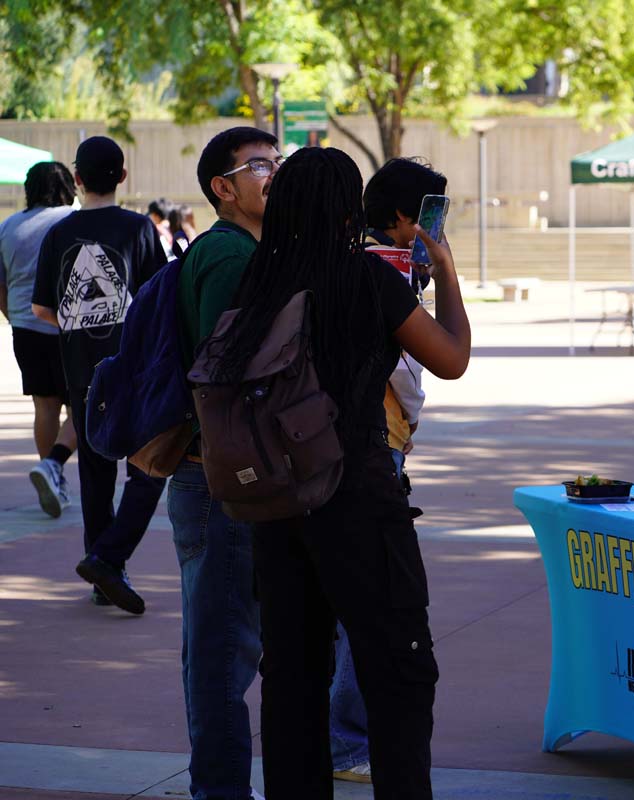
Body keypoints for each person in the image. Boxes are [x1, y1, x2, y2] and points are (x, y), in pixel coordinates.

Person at [202, 146, 470, 799]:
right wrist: (448, 275)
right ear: (350, 209)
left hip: (278, 500)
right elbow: (452, 359)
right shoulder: (368, 280)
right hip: (358, 494)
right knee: (399, 669)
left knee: (293, 673)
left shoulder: (257, 282)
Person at [326, 157, 444, 785]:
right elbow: (438, 361)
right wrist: (443, 274)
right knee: (372, 600)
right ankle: (346, 739)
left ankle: (337, 735)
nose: (435, 226)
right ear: (403, 216)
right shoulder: (380, 271)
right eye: (430, 213)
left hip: (345, 443)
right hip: (377, 441)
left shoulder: (346, 263)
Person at [171, 126, 280, 800]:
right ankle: (220, 791)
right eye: (263, 165)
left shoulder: (236, 250)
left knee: (218, 642)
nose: (277, 174)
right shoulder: (232, 257)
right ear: (224, 187)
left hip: (218, 473)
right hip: (224, 478)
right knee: (221, 651)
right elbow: (224, 377)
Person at [31, 136, 168, 614]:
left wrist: (78, 322)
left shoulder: (58, 235)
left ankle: (101, 565)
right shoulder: (140, 229)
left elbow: (41, 307)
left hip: (81, 371)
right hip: (134, 368)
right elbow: (157, 297)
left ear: (79, 179)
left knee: (93, 475)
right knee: (146, 468)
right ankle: (112, 557)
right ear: (124, 176)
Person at [0, 161, 78, 518]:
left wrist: (14, 317)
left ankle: (52, 474)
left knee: (44, 405)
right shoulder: (73, 218)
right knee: (83, 403)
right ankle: (55, 467)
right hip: (70, 326)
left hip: (24, 326)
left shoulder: (8, 226)